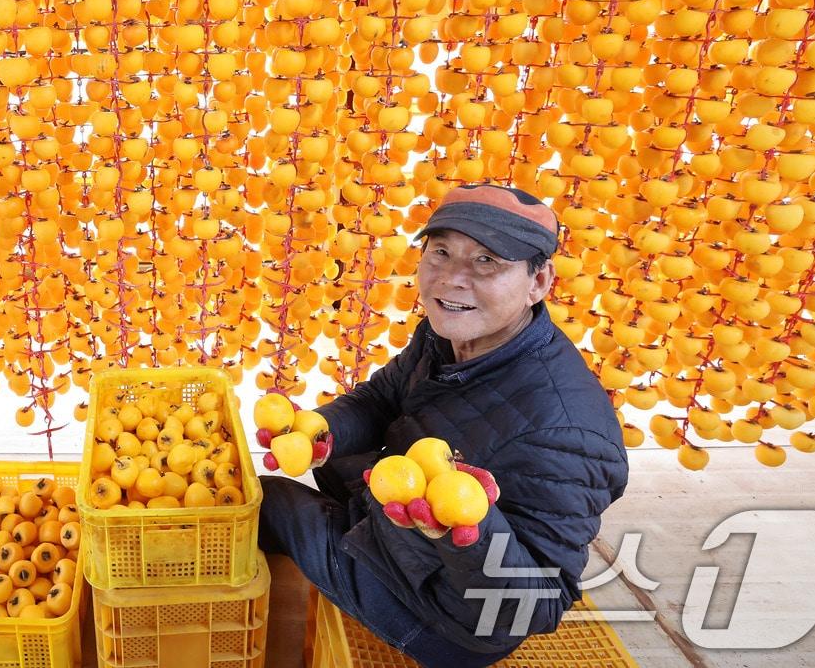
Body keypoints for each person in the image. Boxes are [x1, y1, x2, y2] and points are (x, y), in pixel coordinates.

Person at [258, 184, 629, 668]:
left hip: (448, 619)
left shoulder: (565, 433)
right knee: (339, 462)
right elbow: (382, 398)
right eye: (441, 252)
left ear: (539, 282)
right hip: (406, 539)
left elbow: (533, 604)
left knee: (269, 500)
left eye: (487, 261)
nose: (451, 279)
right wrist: (320, 436)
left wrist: (466, 529)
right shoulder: (448, 334)